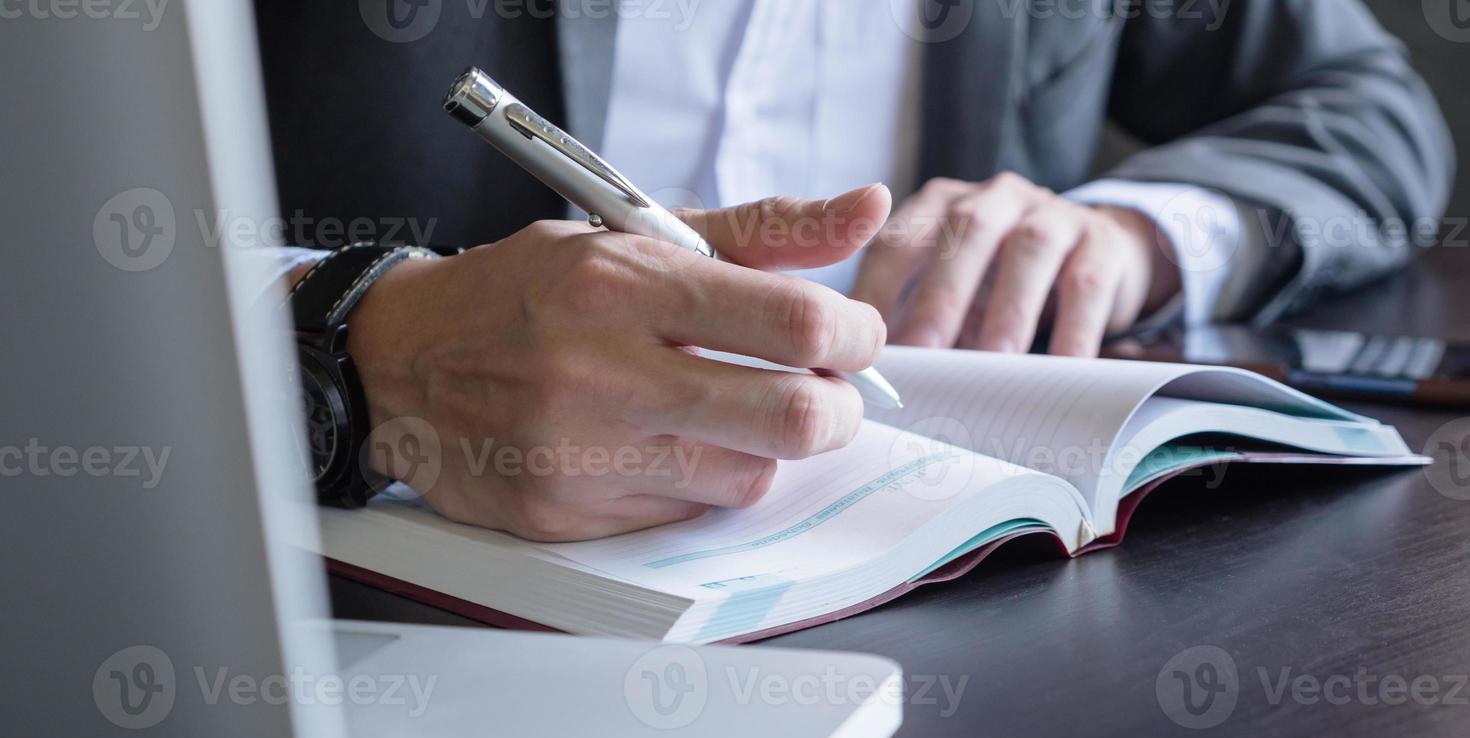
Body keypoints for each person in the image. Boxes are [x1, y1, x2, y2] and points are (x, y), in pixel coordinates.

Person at [254, 1, 1452, 541]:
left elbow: (1370, 107)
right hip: (370, 567)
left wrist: (1133, 236)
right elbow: (81, 228)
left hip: (926, 591)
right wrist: (370, 342)